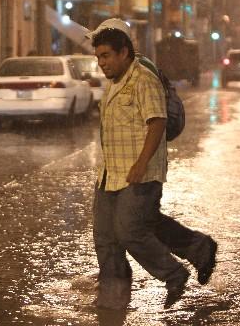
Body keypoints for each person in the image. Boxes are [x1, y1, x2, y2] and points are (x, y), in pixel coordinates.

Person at [86, 18, 218, 310]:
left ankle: (173, 274)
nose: (102, 63)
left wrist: (141, 164)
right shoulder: (115, 81)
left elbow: (157, 121)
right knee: (107, 236)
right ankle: (113, 299)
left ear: (124, 52)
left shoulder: (142, 78)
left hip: (139, 172)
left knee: (130, 231)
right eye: (98, 57)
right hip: (110, 173)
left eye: (106, 56)